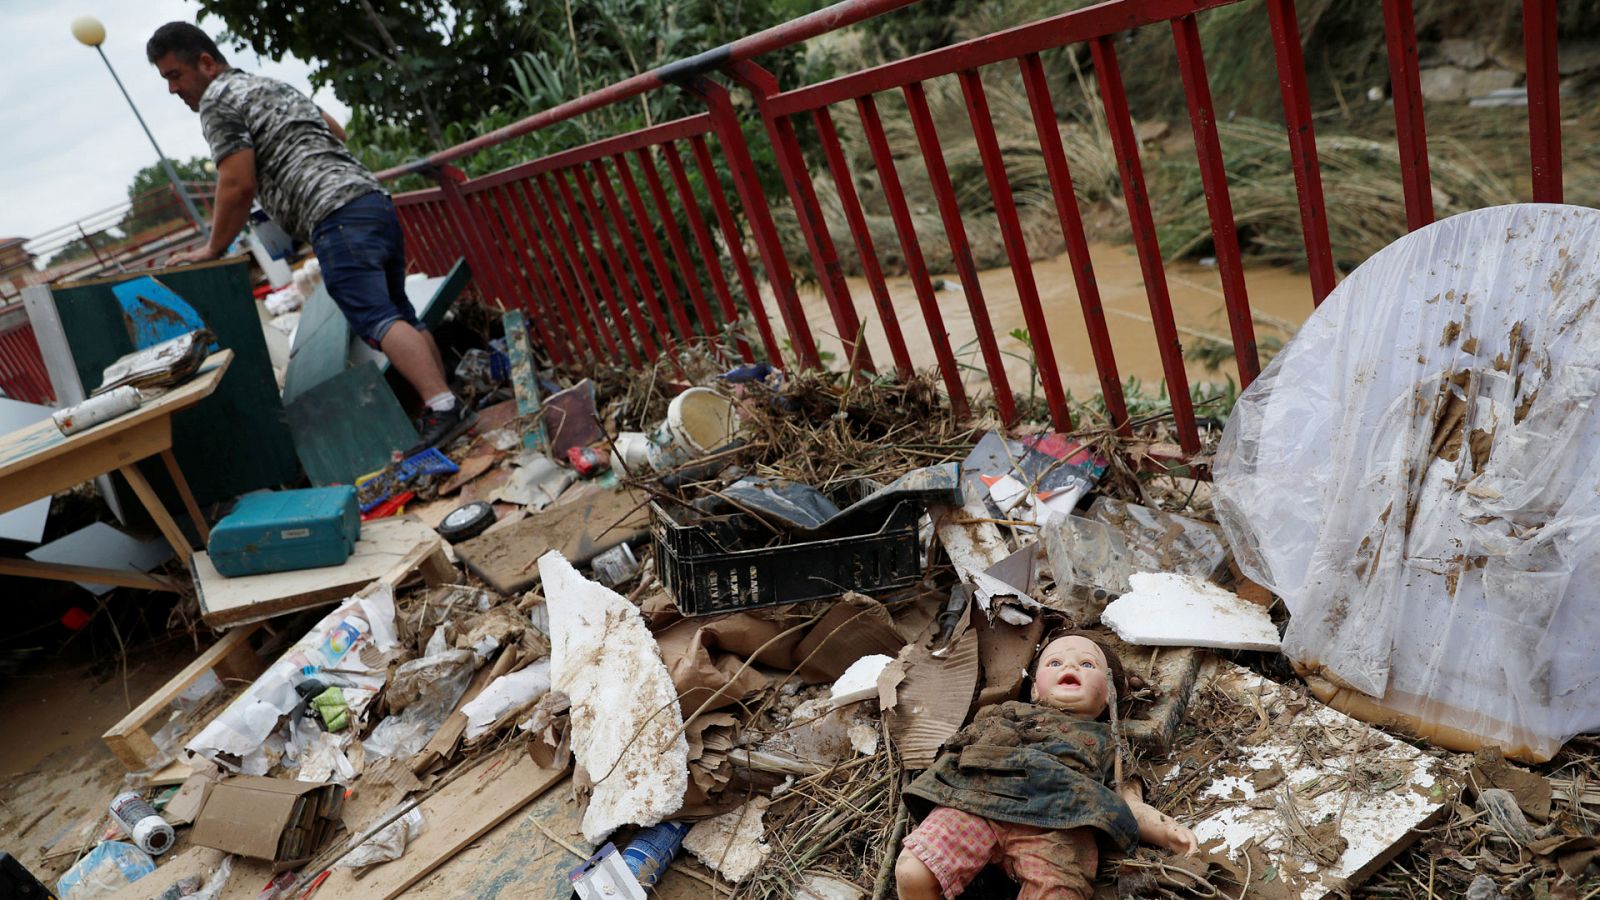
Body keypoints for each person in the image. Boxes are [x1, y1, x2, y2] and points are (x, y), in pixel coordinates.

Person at [146, 22, 472, 453]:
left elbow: (237, 182)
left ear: (206, 63)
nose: (173, 89)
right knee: (398, 313)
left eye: (175, 75)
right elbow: (335, 131)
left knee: (375, 317)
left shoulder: (217, 101)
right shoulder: (269, 86)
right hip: (370, 201)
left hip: (334, 215)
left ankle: (442, 407)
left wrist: (212, 248)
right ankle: (447, 404)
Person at [895, 630, 1197, 900]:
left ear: (1109, 694)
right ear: (1035, 689)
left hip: (1057, 826)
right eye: (1054, 663)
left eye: (1087, 664)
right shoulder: (1003, 713)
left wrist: (1169, 831)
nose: (1069, 667)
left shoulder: (1110, 744)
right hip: (976, 801)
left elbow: (1130, 803)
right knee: (913, 871)